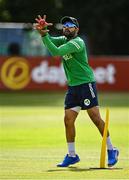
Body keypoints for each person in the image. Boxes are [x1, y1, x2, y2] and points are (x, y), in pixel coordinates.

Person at [35, 15, 119, 167]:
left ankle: (112, 149)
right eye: (64, 25)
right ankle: (72, 155)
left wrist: (44, 35)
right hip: (73, 87)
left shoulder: (77, 42)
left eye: (70, 25)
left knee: (95, 118)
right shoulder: (64, 39)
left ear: (77, 29)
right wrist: (44, 32)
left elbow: (54, 52)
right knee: (68, 120)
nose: (66, 27)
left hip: (86, 84)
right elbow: (50, 41)